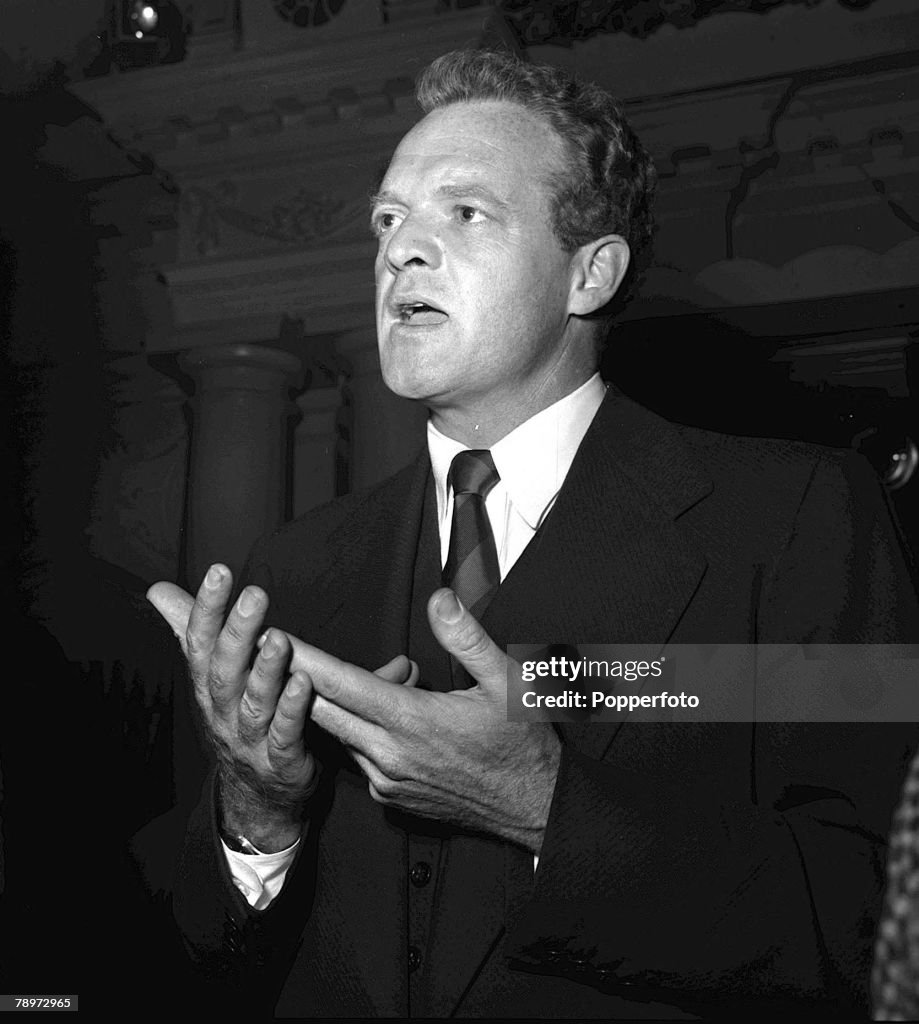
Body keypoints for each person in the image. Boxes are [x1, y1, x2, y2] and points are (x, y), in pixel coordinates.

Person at [137, 49, 919, 1017]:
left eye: (463, 213)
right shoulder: (288, 571)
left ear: (588, 273)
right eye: (388, 220)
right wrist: (259, 816)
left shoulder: (802, 521)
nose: (399, 252)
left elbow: (879, 926)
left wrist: (544, 803)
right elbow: (195, 964)